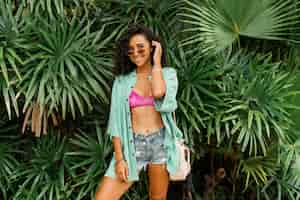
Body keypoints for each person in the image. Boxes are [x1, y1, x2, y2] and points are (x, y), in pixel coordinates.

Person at [94, 24, 183, 200]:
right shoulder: (121, 82)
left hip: (161, 144)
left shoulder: (168, 75)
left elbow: (159, 93)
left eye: (141, 47)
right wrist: (120, 159)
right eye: (131, 50)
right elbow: (116, 123)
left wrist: (157, 62)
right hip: (133, 145)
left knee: (157, 197)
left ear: (152, 47)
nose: (135, 53)